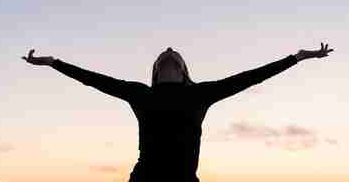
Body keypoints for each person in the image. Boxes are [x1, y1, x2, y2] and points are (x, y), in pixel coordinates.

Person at [22, 43, 334, 182]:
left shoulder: (202, 93)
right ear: (156, 71)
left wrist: (297, 57)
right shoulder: (139, 93)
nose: (168, 53)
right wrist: (53, 63)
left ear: (183, 69)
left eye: (174, 56)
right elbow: (94, 80)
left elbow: (251, 76)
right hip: (144, 179)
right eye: (163, 57)